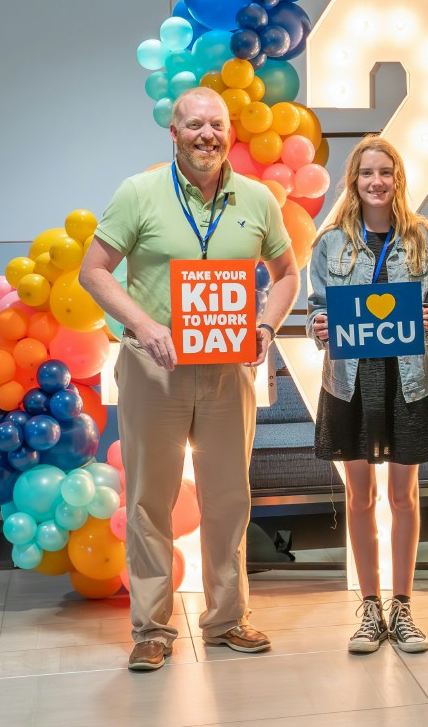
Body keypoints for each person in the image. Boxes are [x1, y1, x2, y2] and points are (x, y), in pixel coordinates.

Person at [79, 87, 299, 671]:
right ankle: (152, 627)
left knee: (229, 495)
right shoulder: (138, 193)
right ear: (173, 133)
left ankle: (227, 619)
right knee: (151, 498)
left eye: (217, 126)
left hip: (229, 370)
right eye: (195, 125)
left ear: (231, 133)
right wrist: (145, 325)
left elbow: (285, 275)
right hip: (156, 367)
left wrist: (266, 326)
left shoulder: (256, 198)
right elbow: (93, 270)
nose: (207, 135)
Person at [307, 135, 428, 654]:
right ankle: (369, 608)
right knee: (359, 496)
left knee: (403, 496)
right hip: (350, 382)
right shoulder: (329, 243)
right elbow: (316, 312)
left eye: (385, 172)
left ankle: (403, 608)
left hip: (409, 381)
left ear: (398, 179)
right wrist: (321, 326)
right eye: (367, 173)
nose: (376, 182)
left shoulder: (424, 240)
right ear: (354, 181)